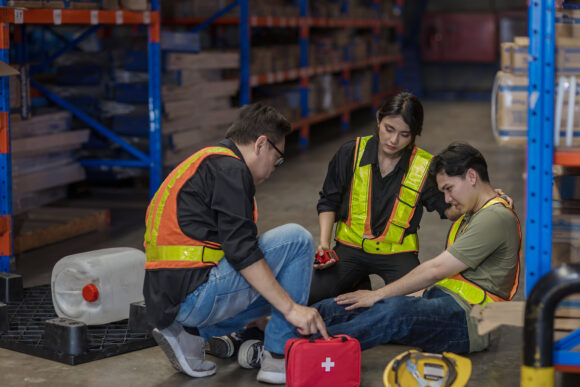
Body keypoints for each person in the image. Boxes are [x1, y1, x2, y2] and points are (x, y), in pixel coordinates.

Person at [143, 103, 329, 384]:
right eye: (277, 160)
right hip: (192, 297)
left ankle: (191, 336)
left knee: (279, 284)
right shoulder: (230, 169)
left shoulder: (208, 162)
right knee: (297, 240)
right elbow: (242, 252)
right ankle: (278, 357)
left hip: (168, 298)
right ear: (261, 144)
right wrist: (292, 310)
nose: (273, 169)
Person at [313, 142, 521, 354]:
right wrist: (376, 298)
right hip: (444, 300)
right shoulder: (475, 213)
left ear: (471, 176)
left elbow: (437, 269)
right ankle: (299, 324)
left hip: (470, 320)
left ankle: (312, 348)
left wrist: (378, 295)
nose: (448, 199)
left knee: (394, 312)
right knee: (349, 306)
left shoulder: (495, 216)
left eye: (449, 189)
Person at [309, 92, 458, 304]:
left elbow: (449, 208)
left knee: (415, 308)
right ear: (379, 119)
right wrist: (324, 243)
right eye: (389, 129)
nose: (393, 140)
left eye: (404, 134)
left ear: (415, 134)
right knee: (311, 296)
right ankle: (356, 280)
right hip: (350, 248)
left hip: (398, 253)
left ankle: (358, 283)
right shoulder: (350, 152)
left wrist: (483, 200)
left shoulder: (425, 167)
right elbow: (328, 200)